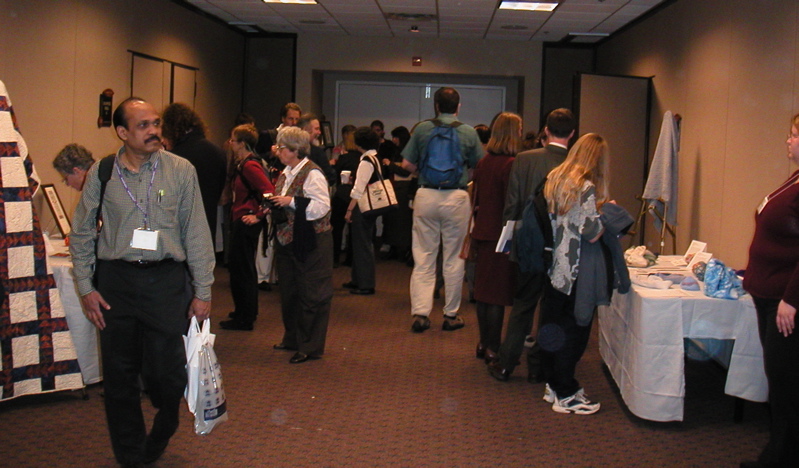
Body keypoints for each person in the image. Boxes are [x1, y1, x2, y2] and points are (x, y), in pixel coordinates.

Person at [69, 97, 215, 466]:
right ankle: (131, 455)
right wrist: (86, 287)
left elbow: (196, 231)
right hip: (116, 282)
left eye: (156, 124)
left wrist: (203, 289)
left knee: (168, 375)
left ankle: (164, 427)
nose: (154, 131)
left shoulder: (180, 170)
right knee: (119, 376)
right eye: (143, 126)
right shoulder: (102, 173)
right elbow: (82, 233)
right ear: (122, 132)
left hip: (165, 281)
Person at [539, 132, 629, 415]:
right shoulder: (585, 186)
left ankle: (553, 385)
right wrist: (611, 211)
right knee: (576, 331)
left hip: (558, 264)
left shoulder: (555, 177)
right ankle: (566, 393)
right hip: (578, 268)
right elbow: (592, 232)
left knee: (555, 327)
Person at [488, 108, 575, 382]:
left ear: (545, 131)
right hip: (562, 248)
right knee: (553, 309)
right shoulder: (577, 164)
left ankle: (506, 362)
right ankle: (539, 366)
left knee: (523, 304)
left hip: (529, 245)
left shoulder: (524, 160)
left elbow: (511, 207)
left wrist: (509, 241)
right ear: (572, 133)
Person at [740, 114, 799, 467]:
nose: (788, 141)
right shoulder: (794, 179)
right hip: (769, 295)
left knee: (787, 385)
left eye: (794, 135)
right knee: (780, 382)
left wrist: (792, 300)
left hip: (786, 303)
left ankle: (780, 459)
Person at [401, 86, 483, 333]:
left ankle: (421, 314)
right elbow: (479, 167)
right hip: (457, 198)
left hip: (426, 195)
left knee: (424, 257)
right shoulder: (468, 132)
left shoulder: (423, 129)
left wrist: (422, 172)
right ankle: (450, 314)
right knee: (454, 258)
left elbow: (406, 164)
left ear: (435, 106)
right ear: (458, 107)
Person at [270, 126, 333, 364]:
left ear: (296, 150)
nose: (278, 151)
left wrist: (291, 201)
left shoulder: (312, 173)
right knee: (290, 293)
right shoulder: (286, 171)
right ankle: (293, 338)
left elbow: (321, 207)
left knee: (312, 294)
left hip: (312, 241)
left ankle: (310, 346)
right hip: (288, 239)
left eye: (282, 147)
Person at [471, 112, 522, 363]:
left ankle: (483, 342)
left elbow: (478, 200)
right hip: (501, 234)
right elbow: (511, 204)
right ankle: (493, 345)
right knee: (498, 295)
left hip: (482, 231)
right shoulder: (511, 164)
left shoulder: (484, 162)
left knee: (483, 292)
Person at [219, 124, 275, 331]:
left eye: (233, 140)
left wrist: (259, 215)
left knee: (242, 270)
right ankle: (244, 310)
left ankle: (245, 316)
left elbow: (269, 192)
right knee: (242, 268)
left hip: (246, 220)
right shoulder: (245, 163)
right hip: (241, 218)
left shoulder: (250, 166)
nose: (230, 143)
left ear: (242, 143)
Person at [161, 102, 227, 246]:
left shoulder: (175, 157)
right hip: (207, 224)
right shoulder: (218, 152)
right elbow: (220, 191)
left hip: (180, 229)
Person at [342, 127, 381, 295]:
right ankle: (358, 279)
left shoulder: (365, 161)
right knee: (362, 242)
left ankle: (365, 284)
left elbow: (358, 190)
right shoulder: (375, 158)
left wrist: (349, 210)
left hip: (362, 206)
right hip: (371, 206)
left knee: (362, 244)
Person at [380, 125, 413, 262]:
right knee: (395, 221)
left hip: (403, 188)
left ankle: (401, 249)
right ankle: (397, 248)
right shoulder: (402, 150)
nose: (393, 140)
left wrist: (390, 164)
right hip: (397, 188)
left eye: (395, 137)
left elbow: (405, 171)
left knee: (401, 222)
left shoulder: (407, 152)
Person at [332, 124, 359, 266]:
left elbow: (335, 175)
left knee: (336, 228)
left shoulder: (344, 158)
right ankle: (351, 259)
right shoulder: (362, 159)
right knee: (353, 231)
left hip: (342, 195)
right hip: (356, 197)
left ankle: (334, 257)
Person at [298, 112, 338, 187]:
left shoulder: (290, 150)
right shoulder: (317, 152)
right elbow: (330, 177)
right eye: (316, 129)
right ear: (304, 130)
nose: (319, 132)